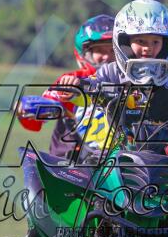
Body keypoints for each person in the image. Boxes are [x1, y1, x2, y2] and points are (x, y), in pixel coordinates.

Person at [57, 0, 168, 131]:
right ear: (125, 42)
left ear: (167, 43)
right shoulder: (111, 71)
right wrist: (75, 87)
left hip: (166, 154)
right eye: (141, 41)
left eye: (155, 42)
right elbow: (92, 86)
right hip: (118, 151)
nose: (148, 48)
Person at [18, 14, 115, 158]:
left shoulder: (131, 79)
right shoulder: (72, 80)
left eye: (113, 50)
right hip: (74, 160)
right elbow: (36, 120)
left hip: (118, 156)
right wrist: (28, 108)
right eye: (100, 51)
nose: (107, 56)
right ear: (85, 54)